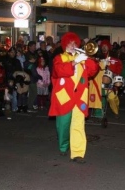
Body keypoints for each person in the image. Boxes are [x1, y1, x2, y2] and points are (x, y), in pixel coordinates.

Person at [48, 32, 99, 163]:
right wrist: (74, 62)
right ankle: (63, 146)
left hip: (79, 97)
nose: (72, 45)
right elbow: (58, 71)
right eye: (70, 43)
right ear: (65, 45)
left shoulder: (82, 58)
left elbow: (94, 70)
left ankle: (77, 153)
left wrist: (87, 58)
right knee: (63, 126)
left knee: (78, 125)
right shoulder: (59, 58)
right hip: (64, 97)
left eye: (75, 43)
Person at [89, 40, 123, 119]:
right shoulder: (98, 57)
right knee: (101, 97)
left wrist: (115, 72)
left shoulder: (114, 58)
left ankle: (116, 111)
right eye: (103, 46)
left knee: (112, 97)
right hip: (99, 82)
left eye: (106, 46)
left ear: (109, 47)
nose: (104, 47)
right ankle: (99, 113)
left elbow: (119, 67)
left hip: (111, 82)